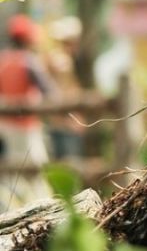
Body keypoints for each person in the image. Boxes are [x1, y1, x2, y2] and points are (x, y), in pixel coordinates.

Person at [0, 13, 57, 206]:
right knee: (38, 168)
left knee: (12, 172)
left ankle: (12, 207)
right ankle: (44, 208)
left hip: (5, 126)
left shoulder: (3, 61)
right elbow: (49, 90)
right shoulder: (29, 61)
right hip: (27, 126)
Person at [44, 16, 85, 159]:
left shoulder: (56, 58)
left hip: (59, 121)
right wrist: (72, 118)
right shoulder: (62, 62)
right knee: (69, 161)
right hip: (65, 122)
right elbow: (64, 93)